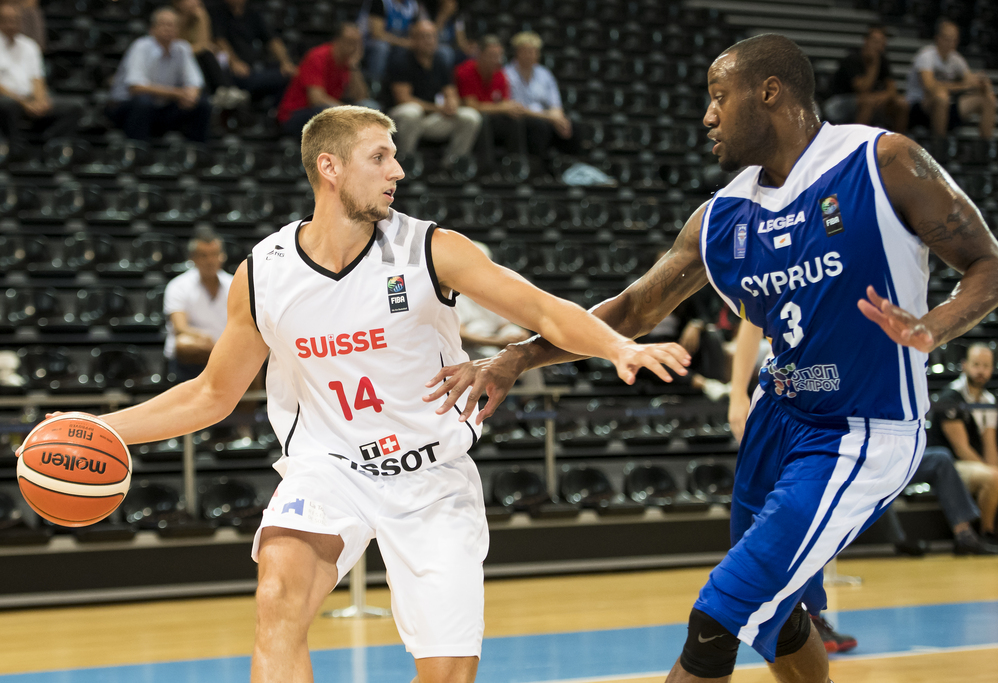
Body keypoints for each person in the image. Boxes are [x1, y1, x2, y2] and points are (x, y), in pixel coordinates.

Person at [426, 33, 998, 683]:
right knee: (773, 616)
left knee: (718, 616)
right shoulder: (724, 216)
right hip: (776, 419)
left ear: (769, 92)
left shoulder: (882, 162)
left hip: (859, 428)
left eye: (717, 96)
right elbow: (632, 310)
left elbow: (995, 269)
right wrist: (517, 357)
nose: (707, 115)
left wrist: (933, 327)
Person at [58, 105, 685, 683]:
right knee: (277, 598)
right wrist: (102, 428)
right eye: (380, 157)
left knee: (446, 675)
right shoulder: (264, 272)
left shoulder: (433, 249)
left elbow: (544, 310)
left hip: (431, 475)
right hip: (327, 470)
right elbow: (211, 394)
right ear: (328, 168)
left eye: (395, 156)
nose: (399, 170)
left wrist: (617, 347)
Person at [731, 320, 998, 557]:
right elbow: (752, 322)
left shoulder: (889, 353)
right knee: (864, 473)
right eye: (977, 364)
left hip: (888, 435)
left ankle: (967, 534)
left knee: (917, 463)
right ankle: (899, 540)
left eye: (986, 366)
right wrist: (737, 394)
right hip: (825, 423)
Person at [930, 344, 998, 545]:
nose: (981, 371)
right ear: (964, 366)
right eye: (976, 365)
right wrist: (997, 476)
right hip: (953, 465)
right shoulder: (950, 398)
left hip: (978, 461)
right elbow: (962, 449)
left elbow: (990, 445)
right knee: (992, 478)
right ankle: (985, 533)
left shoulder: (988, 400)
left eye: (986, 366)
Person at [106, 7, 211, 143]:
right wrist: (178, 94)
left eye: (173, 25)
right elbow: (136, 87)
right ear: (152, 29)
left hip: (162, 107)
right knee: (143, 102)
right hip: (126, 107)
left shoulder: (182, 48)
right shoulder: (141, 46)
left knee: (202, 104)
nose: (168, 29)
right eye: (164, 24)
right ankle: (136, 151)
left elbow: (195, 81)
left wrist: (191, 95)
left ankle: (196, 153)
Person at [387, 19, 481, 162]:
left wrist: (452, 104)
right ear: (413, 39)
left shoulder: (440, 61)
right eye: (423, 37)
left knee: (470, 117)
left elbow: (450, 91)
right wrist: (437, 109)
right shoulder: (401, 60)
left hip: (429, 118)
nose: (429, 41)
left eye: (431, 36)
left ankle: (452, 165)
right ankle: (404, 164)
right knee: (411, 112)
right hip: (400, 117)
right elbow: (403, 99)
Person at [0, 2, 81, 154]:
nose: (12, 24)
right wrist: (24, 103)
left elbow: (37, 78)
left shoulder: (29, 45)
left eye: (15, 20)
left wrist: (40, 99)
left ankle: (50, 148)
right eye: (7, 20)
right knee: (6, 105)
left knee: (74, 106)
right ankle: (15, 152)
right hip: (9, 100)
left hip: (30, 99)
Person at [906, 18, 998, 143]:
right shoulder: (926, 56)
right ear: (937, 38)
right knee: (941, 96)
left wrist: (981, 84)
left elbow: (969, 82)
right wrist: (963, 86)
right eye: (947, 38)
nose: (950, 43)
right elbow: (929, 86)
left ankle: (986, 145)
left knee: (988, 99)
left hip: (948, 107)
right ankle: (939, 145)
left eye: (954, 39)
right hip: (920, 107)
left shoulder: (957, 59)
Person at [277, 23, 375, 138]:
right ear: (337, 40)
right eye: (349, 41)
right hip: (297, 114)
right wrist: (349, 112)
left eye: (356, 43)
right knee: (330, 115)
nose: (352, 47)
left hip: (328, 111)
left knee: (370, 107)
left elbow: (361, 96)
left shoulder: (348, 63)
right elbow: (317, 99)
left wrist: (354, 66)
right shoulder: (317, 56)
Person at [162, 228, 232, 382]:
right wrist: (204, 337)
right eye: (203, 255)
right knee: (184, 344)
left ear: (222, 256)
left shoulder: (234, 284)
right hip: (192, 356)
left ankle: (249, 405)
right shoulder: (178, 286)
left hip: (226, 354)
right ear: (193, 258)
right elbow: (180, 328)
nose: (210, 261)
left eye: (214, 254)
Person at [503, 31, 581, 160]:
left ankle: (571, 167)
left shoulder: (544, 74)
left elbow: (555, 104)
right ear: (517, 52)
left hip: (546, 118)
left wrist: (559, 120)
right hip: (522, 120)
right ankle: (539, 169)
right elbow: (516, 108)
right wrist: (549, 118)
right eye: (527, 51)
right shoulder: (507, 74)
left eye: (534, 51)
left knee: (573, 126)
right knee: (539, 127)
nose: (531, 55)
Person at [208, 0, 295, 108]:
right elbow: (219, 40)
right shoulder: (216, 12)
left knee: (291, 75)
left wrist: (285, 62)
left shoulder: (253, 12)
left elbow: (272, 40)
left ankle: (274, 114)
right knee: (273, 77)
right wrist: (234, 62)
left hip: (256, 66)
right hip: (233, 71)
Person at [455, 35, 526, 165]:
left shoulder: (500, 75)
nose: (496, 60)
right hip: (469, 118)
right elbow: (471, 106)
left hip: (493, 117)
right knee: (483, 119)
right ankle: (486, 167)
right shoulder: (465, 71)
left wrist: (512, 108)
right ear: (480, 54)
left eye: (499, 55)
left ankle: (515, 165)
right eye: (492, 55)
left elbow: (504, 102)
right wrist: (503, 108)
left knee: (514, 119)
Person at [824, 25, 907, 133]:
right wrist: (874, 65)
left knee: (901, 104)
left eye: (882, 41)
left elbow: (892, 90)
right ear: (866, 41)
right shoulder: (852, 59)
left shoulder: (884, 61)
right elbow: (862, 89)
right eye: (876, 41)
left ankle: (896, 143)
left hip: (870, 101)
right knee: (868, 102)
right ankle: (858, 142)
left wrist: (881, 97)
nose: (880, 45)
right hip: (839, 102)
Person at [171, 0, 248, 110]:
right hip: (178, 60)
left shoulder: (200, 15)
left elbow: (204, 42)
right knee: (205, 54)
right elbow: (176, 48)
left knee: (215, 55)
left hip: (197, 56)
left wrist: (202, 18)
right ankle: (218, 91)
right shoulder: (171, 18)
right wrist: (199, 47)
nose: (195, 3)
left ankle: (224, 91)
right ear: (178, 3)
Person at [362, 0, 421, 81]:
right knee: (382, 47)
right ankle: (375, 82)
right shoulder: (380, 2)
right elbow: (377, 34)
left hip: (398, 42)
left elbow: (416, 31)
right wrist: (403, 43)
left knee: (421, 46)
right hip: (370, 42)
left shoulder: (413, 4)